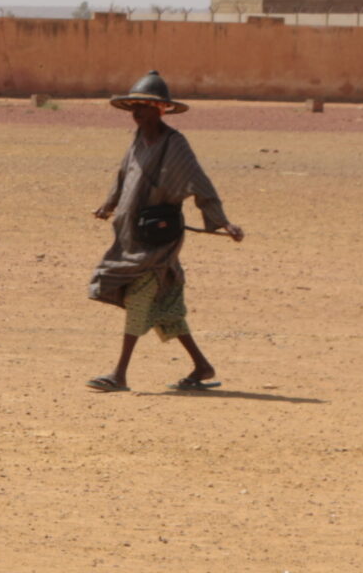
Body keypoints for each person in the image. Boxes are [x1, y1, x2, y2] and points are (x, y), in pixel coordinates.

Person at [86, 72, 244, 392]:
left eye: (145, 107)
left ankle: (119, 374)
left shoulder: (175, 143)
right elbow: (123, 175)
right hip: (132, 234)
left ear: (161, 110)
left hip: (158, 238)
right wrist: (109, 205)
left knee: (140, 296)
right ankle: (201, 366)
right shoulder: (137, 141)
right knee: (167, 308)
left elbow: (199, 182)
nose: (138, 113)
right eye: (135, 107)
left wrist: (222, 221)